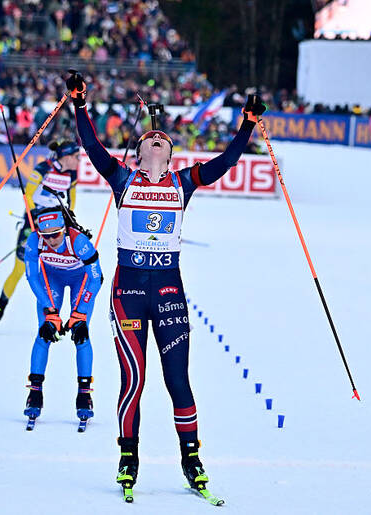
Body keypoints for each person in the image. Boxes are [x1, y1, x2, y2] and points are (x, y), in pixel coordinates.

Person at [66, 70, 266, 498]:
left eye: (164, 141)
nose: (157, 140)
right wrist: (80, 104)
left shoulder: (182, 182)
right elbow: (91, 145)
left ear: (170, 156)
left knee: (179, 380)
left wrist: (247, 123)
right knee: (133, 380)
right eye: (149, 140)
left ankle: (191, 459)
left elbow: (227, 162)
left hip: (169, 291)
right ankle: (128, 458)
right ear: (138, 154)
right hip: (129, 292)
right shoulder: (122, 178)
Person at [0, 141, 81, 336]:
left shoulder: (72, 174)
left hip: (56, 227)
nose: (79, 161)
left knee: (53, 270)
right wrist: (35, 217)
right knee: (19, 270)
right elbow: (28, 195)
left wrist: (69, 217)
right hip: (34, 222)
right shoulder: (44, 168)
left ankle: (53, 318)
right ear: (66, 156)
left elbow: (72, 200)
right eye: (76, 157)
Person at [22, 206, 102, 424]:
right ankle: (34, 393)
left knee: (81, 335)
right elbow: (32, 277)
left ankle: (84, 395)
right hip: (51, 280)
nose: (51, 240)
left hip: (81, 281)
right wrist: (50, 311)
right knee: (44, 333)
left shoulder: (79, 241)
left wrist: (80, 314)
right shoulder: (34, 240)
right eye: (45, 235)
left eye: (56, 234)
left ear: (64, 230)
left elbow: (96, 279)